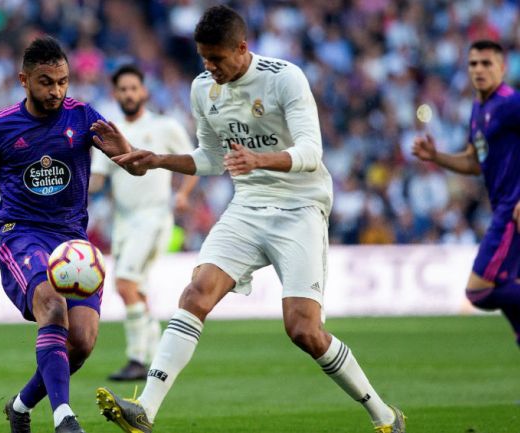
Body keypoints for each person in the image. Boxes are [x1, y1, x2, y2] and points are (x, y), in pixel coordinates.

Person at [95, 5, 405, 433]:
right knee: (195, 294)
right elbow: (209, 158)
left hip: (299, 207)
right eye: (203, 57)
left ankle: (384, 415)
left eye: (217, 58)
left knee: (303, 330)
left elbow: (313, 153)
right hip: (248, 206)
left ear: (242, 48)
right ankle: (144, 409)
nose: (209, 67)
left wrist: (260, 159)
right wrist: (159, 160)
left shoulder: (284, 78)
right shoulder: (203, 87)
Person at [0, 36, 137, 433]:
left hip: (74, 242)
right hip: (22, 236)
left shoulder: (83, 117)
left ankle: (21, 406)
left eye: (62, 81)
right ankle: (65, 418)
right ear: (23, 80)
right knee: (53, 309)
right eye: (46, 82)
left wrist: (127, 151)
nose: (56, 90)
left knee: (81, 343)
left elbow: (135, 168)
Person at [89, 64, 198, 381]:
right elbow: (97, 179)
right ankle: (156, 352)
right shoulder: (110, 134)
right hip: (123, 222)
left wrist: (184, 194)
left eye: (133, 88)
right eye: (122, 89)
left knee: (125, 283)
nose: (128, 94)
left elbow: (194, 161)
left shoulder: (165, 126)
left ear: (144, 92)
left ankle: (137, 359)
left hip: (154, 216)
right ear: (115, 94)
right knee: (132, 288)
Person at [412, 40, 520, 346]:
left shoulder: (511, 103)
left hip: (512, 210)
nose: (479, 70)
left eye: (487, 63)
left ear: (503, 67)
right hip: (502, 207)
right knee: (511, 301)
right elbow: (474, 162)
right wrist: (437, 157)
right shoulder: (478, 109)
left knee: (480, 291)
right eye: (473, 64)